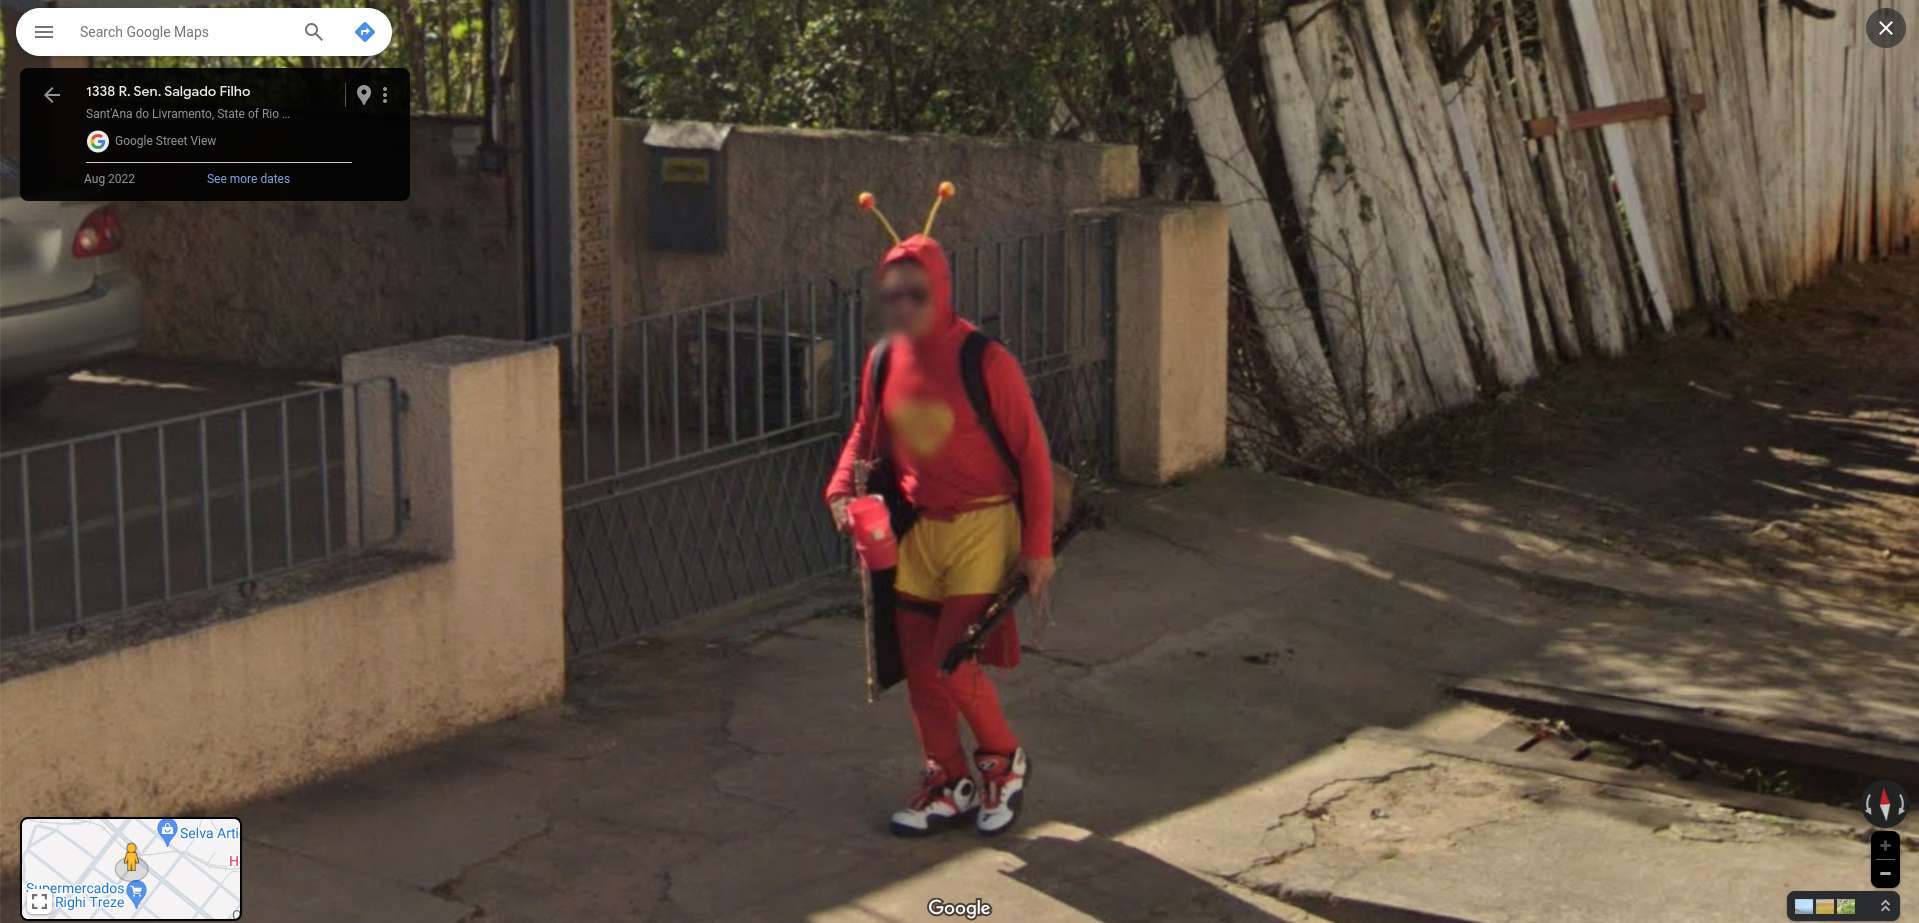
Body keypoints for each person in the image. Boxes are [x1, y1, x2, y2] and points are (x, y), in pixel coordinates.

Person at [825, 183, 1056, 837]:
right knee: (919, 665)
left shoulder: (987, 361)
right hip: (916, 530)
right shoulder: (883, 360)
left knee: (954, 659)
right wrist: (840, 490)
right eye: (893, 293)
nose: (904, 305)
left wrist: (1037, 546)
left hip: (984, 526)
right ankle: (946, 777)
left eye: (916, 292)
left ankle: (1003, 762)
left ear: (942, 289)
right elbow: (865, 433)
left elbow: (1032, 454)